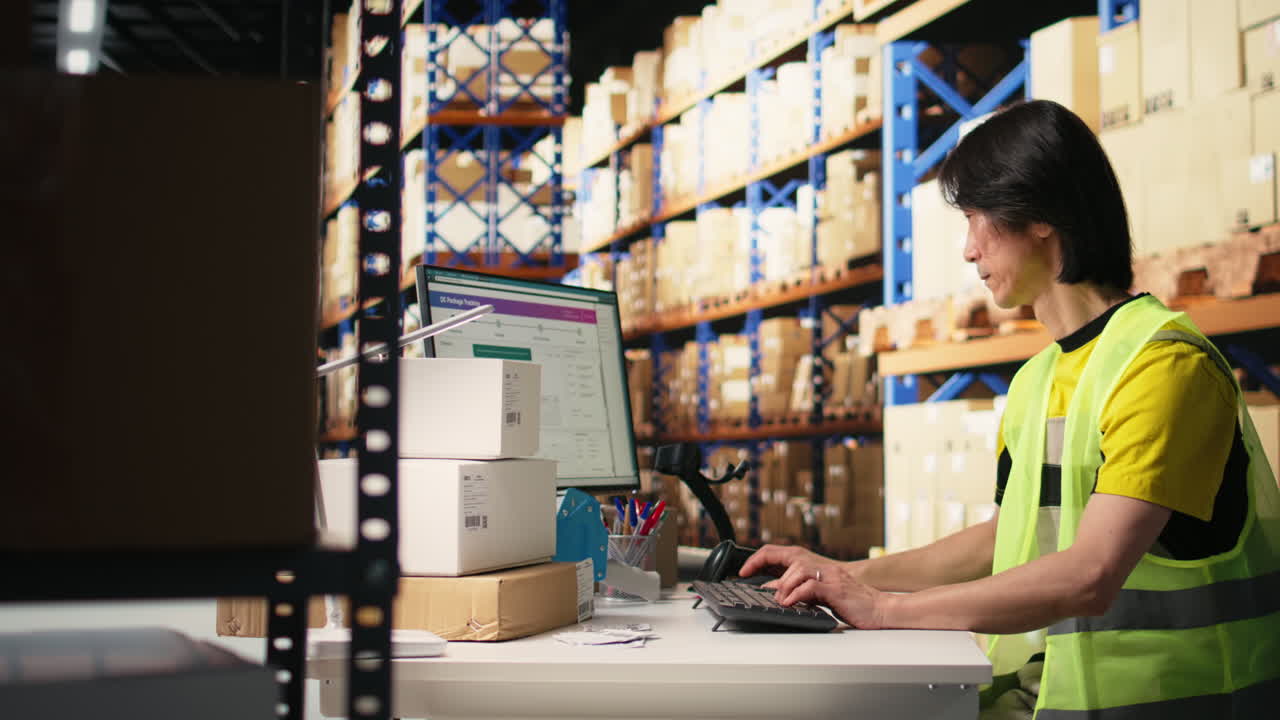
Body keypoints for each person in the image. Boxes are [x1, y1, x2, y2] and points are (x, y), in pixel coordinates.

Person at [738, 99, 1280, 718]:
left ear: (1041, 214)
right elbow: (1006, 540)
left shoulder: (1163, 368)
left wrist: (885, 610)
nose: (969, 251)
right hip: (1052, 700)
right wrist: (845, 574)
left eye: (977, 218)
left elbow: (1091, 574)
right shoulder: (1037, 380)